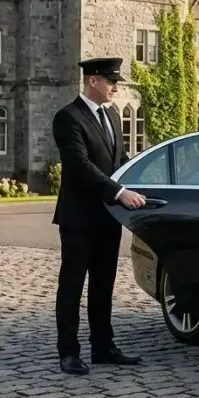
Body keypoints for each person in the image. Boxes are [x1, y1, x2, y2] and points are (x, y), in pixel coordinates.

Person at [51, 57, 147, 375]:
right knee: (72, 285)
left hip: (107, 216)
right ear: (92, 80)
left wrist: (146, 174)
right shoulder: (68, 117)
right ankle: (68, 352)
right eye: (111, 81)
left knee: (104, 284)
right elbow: (79, 166)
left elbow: (119, 159)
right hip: (79, 217)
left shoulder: (112, 115)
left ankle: (103, 347)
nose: (115, 87)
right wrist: (119, 193)